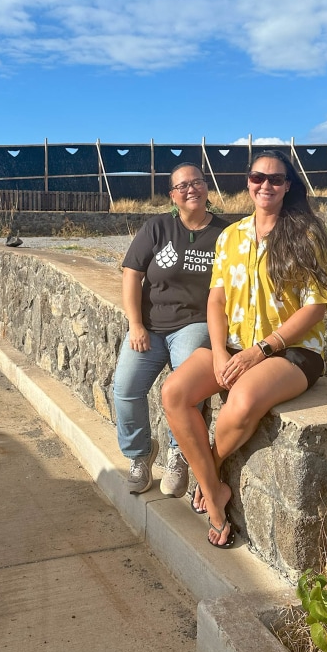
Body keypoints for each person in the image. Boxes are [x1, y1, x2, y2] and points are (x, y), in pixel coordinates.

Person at [161, 150, 327, 548]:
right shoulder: (231, 236)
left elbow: (317, 305)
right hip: (234, 345)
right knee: (174, 393)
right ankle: (215, 488)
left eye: (276, 179)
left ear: (288, 186)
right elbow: (216, 302)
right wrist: (222, 354)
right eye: (259, 177)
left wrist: (262, 349)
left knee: (240, 399)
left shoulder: (306, 234)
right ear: (248, 182)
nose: (266, 185)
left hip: (292, 351)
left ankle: (213, 481)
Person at [113, 163, 228, 496]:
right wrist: (135, 324)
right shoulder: (158, 227)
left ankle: (179, 454)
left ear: (207, 188)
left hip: (193, 323)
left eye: (197, 182)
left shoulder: (226, 233)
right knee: (125, 389)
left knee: (184, 391)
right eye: (182, 186)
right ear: (172, 196)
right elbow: (131, 274)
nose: (190, 189)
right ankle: (140, 455)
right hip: (149, 326)